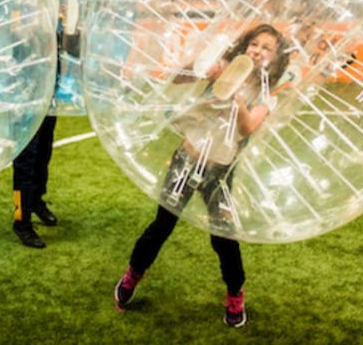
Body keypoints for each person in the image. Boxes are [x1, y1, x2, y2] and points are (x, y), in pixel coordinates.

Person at [114, 23, 290, 328]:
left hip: (219, 172)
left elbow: (247, 127)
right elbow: (179, 78)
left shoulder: (266, 95)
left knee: (223, 236)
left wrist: (235, 96)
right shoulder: (223, 67)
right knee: (162, 224)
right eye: (254, 44)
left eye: (266, 48)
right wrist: (201, 69)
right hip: (187, 159)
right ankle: (132, 275)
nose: (257, 50)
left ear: (275, 60)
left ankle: (235, 293)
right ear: (245, 46)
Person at [11, 0, 61, 248]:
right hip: (24, 102)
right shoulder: (20, 15)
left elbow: (71, 50)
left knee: (43, 155)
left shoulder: (54, 18)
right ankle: (22, 220)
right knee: (25, 162)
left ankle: (37, 200)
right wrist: (41, 19)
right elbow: (19, 35)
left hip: (48, 98)